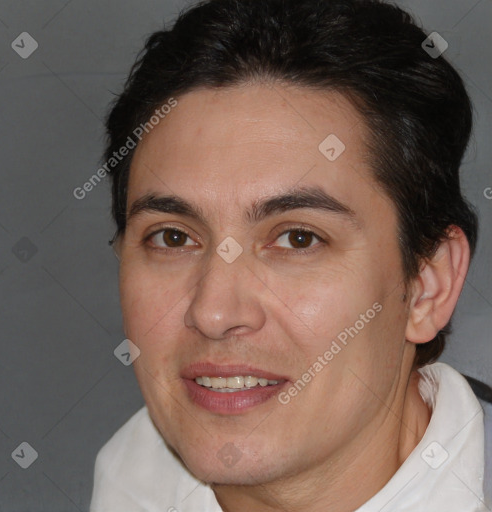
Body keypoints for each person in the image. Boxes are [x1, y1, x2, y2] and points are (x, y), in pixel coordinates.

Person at [89, 0, 492, 510]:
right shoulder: (133, 473)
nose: (214, 312)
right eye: (173, 237)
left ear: (427, 285)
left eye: (298, 239)